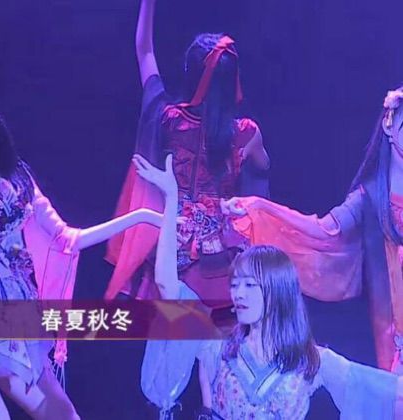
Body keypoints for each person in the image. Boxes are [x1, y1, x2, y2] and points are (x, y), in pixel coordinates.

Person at [133, 152, 403, 419]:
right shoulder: (217, 349)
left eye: (249, 285)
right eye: (235, 284)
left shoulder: (312, 361)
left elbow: (385, 393)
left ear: (277, 292)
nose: (238, 294)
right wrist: (171, 198)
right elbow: (167, 284)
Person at [0, 90, 162, 420]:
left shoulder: (16, 176)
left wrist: (139, 216)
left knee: (64, 416)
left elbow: (68, 238)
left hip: (16, 318)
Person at [219, 86, 403, 373]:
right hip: (390, 328)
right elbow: (321, 232)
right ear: (389, 125)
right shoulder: (368, 199)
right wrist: (259, 208)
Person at [105, 0, 270, 306]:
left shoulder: (167, 119)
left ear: (189, 75)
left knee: (166, 327)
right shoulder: (246, 134)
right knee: (219, 327)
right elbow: (263, 169)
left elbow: (144, 50)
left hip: (169, 241)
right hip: (218, 256)